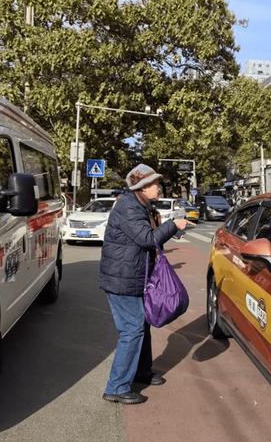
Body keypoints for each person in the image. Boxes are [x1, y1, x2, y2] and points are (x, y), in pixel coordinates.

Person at [99, 164, 190, 405]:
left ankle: (140, 372)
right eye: (155, 183)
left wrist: (169, 226)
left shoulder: (142, 205)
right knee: (132, 328)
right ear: (143, 187)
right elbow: (147, 239)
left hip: (134, 276)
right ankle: (116, 387)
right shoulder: (129, 207)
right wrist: (173, 225)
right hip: (122, 279)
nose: (159, 187)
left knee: (142, 324)